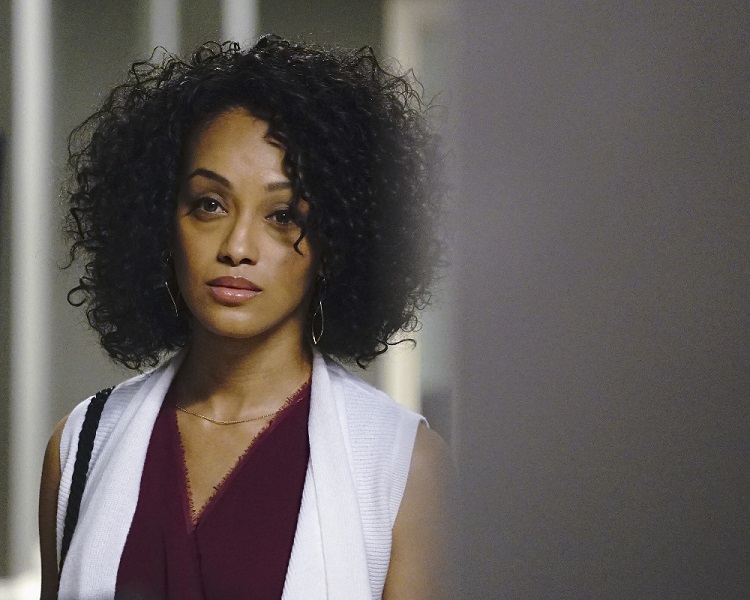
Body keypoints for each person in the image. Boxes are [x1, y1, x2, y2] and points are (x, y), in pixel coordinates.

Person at [38, 35, 452, 600]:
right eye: (209, 204)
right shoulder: (82, 444)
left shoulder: (404, 466)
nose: (237, 247)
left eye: (283, 216)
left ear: (337, 242)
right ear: (161, 220)